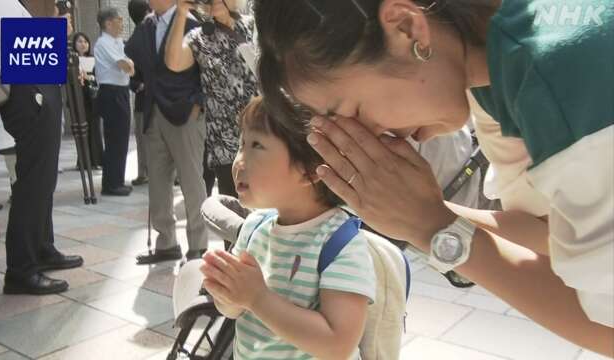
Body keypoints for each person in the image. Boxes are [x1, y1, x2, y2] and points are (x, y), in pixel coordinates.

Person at [253, 0, 614, 356]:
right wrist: (412, 212)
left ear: (406, 27)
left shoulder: (561, 73)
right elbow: (547, 231)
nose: (378, 136)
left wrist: (433, 227)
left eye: (357, 112)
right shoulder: (488, 73)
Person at [200, 96, 376, 359]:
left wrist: (257, 297)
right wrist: (228, 293)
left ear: (309, 170)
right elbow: (234, 310)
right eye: (241, 144)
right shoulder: (254, 227)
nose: (238, 161)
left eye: (256, 145)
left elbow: (338, 344)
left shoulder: (339, 244)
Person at [0, 0, 83, 295]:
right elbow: (18, 44)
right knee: (33, 182)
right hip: (25, 86)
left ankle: (42, 247)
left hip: (34, 81)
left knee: (43, 179)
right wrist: (51, 29)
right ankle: (22, 268)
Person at [125, 0, 209, 264]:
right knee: (158, 184)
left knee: (191, 181)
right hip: (153, 113)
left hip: (185, 113)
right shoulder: (146, 25)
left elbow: (207, 71)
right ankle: (166, 243)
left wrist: (198, 103)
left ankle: (198, 245)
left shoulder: (194, 23)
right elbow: (135, 56)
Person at [166, 0, 258, 198]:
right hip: (224, 138)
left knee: (266, 201)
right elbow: (173, 63)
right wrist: (181, 13)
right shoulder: (200, 37)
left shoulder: (253, 26)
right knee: (234, 203)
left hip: (261, 129)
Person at [94, 7, 136, 196]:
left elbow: (129, 65)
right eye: (119, 19)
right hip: (111, 92)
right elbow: (124, 65)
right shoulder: (103, 42)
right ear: (108, 23)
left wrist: (129, 66)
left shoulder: (117, 41)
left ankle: (117, 179)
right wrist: (128, 66)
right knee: (114, 139)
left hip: (121, 91)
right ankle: (110, 184)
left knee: (122, 139)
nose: (122, 23)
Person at [127, 0, 152, 187]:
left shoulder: (131, 42)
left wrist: (137, 85)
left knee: (144, 140)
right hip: (153, 99)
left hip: (144, 100)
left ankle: (144, 172)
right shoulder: (151, 36)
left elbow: (130, 77)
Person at [72, 32, 103, 170]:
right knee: (81, 130)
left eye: (85, 41)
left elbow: (99, 78)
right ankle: (84, 161)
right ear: (74, 44)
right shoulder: (72, 61)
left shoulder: (94, 60)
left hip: (93, 98)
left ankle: (97, 159)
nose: (83, 44)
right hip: (78, 98)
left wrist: (88, 77)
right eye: (79, 41)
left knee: (95, 127)